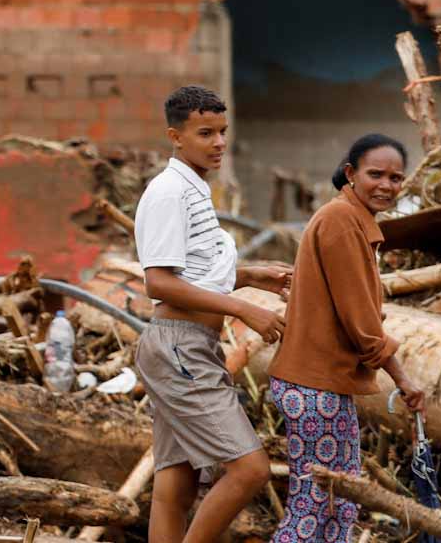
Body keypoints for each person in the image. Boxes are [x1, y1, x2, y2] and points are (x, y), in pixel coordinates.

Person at [135, 85, 294, 543]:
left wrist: (248, 275)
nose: (219, 142)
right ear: (175, 136)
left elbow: (196, 274)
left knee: (176, 484)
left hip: (187, 346)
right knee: (250, 469)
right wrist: (245, 307)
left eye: (223, 132)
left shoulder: (195, 187)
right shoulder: (169, 192)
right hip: (179, 348)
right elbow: (159, 282)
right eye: (206, 133)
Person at [266, 134, 427, 543]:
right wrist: (405, 379)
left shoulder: (352, 220)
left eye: (396, 177)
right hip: (312, 385)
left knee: (341, 501)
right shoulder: (340, 221)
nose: (387, 186)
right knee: (315, 503)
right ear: (351, 173)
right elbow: (363, 326)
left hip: (324, 385)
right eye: (376, 174)